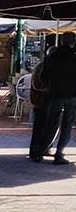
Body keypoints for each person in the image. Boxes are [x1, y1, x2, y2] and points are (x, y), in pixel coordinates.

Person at [40, 32, 76, 165]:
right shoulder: (74, 57)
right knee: (67, 125)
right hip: (71, 95)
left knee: (51, 122)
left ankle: (43, 149)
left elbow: (43, 77)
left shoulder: (51, 56)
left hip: (54, 94)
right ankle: (59, 153)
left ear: (61, 41)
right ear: (73, 42)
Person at [30, 46, 59, 161]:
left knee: (48, 127)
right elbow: (36, 84)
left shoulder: (49, 66)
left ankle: (43, 149)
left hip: (46, 101)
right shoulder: (42, 67)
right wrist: (51, 89)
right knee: (40, 127)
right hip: (41, 101)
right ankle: (36, 152)